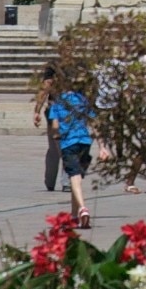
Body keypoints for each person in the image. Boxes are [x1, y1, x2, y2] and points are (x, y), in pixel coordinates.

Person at [42, 81, 93, 228]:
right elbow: (93, 121)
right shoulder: (83, 100)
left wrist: (57, 136)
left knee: (74, 176)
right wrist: (103, 147)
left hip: (68, 143)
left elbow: (55, 126)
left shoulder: (58, 103)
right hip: (85, 141)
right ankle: (74, 215)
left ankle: (83, 208)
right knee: (76, 179)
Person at [32, 60, 62, 195]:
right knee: (66, 146)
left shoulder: (54, 66)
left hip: (55, 110)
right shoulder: (78, 67)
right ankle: (68, 181)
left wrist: (37, 110)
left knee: (54, 147)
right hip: (70, 110)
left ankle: (50, 181)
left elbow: (45, 87)